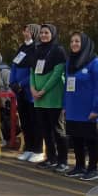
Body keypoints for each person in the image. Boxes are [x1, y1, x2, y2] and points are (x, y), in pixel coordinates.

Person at [62, 32, 98, 181]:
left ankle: (93, 169)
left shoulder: (95, 62)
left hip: (88, 110)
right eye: (72, 41)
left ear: (85, 43)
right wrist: (65, 105)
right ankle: (79, 166)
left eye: (77, 41)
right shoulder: (70, 62)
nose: (74, 44)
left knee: (91, 140)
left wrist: (95, 108)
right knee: (76, 139)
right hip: (73, 108)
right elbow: (66, 85)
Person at [30, 23, 69, 173]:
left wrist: (44, 90)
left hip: (53, 97)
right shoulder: (37, 50)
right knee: (45, 130)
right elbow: (32, 71)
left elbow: (58, 73)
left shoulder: (58, 50)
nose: (43, 35)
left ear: (53, 34)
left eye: (47, 32)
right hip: (39, 98)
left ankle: (63, 160)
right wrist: (33, 88)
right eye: (42, 33)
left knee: (58, 130)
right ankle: (51, 158)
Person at [9, 23, 45, 162]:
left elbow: (34, 72)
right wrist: (12, 82)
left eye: (29, 31)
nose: (26, 33)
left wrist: (21, 83)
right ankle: (28, 148)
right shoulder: (22, 48)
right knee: (24, 121)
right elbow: (14, 65)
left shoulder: (37, 49)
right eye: (24, 30)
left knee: (35, 120)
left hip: (30, 91)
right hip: (20, 92)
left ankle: (38, 150)